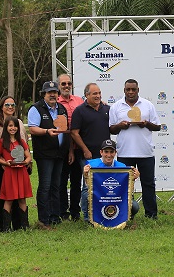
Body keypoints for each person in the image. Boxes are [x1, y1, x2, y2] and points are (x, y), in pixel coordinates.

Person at [109, 79, 161, 219]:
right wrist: (120, 125)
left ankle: (151, 214)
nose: (131, 92)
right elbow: (112, 129)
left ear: (138, 90)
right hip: (125, 152)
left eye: (133, 89)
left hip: (145, 152)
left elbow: (158, 126)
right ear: (124, 90)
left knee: (148, 184)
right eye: (128, 89)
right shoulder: (116, 106)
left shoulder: (147, 105)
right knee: (125, 186)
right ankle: (126, 214)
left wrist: (146, 124)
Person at [28, 80, 69, 229]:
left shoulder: (62, 109)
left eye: (55, 92)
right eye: (49, 92)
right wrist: (46, 131)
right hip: (45, 154)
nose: (52, 95)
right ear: (44, 94)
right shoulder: (36, 108)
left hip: (59, 153)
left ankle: (54, 217)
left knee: (56, 186)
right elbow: (32, 129)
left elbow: (65, 129)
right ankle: (43, 219)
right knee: (45, 186)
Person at [70, 82, 111, 221]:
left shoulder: (107, 108)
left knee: (104, 185)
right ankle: (87, 217)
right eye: (94, 93)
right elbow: (74, 133)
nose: (98, 96)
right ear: (86, 95)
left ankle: (102, 213)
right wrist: (85, 150)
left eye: (99, 93)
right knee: (88, 187)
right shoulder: (79, 111)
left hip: (105, 157)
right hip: (87, 156)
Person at [0, 95, 27, 231]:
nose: (10, 107)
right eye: (7, 105)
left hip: (20, 166)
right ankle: (0, 226)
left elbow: (25, 143)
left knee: (19, 196)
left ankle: (19, 225)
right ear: (1, 107)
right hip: (3, 167)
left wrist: (27, 162)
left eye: (12, 105)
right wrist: (3, 163)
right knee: (3, 196)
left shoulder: (20, 123)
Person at [81, 139, 139, 219]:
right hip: (98, 195)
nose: (109, 155)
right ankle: (88, 218)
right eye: (106, 152)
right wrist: (85, 174)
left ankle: (125, 217)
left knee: (135, 206)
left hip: (115, 196)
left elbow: (127, 188)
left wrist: (134, 178)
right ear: (101, 152)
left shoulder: (122, 167)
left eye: (111, 152)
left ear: (115, 153)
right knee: (85, 194)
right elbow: (87, 186)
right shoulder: (91, 165)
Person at [0, 116, 33, 231]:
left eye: (15, 126)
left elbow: (28, 156)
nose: (13, 128)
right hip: (9, 173)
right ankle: (6, 227)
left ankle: (25, 226)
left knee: (22, 198)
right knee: (9, 199)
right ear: (6, 127)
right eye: (10, 126)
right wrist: (6, 163)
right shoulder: (2, 142)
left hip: (21, 172)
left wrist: (25, 162)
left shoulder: (21, 141)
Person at [57, 73, 85, 221]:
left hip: (79, 147)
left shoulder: (80, 101)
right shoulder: (55, 101)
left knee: (76, 181)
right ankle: (63, 211)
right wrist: (69, 149)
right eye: (63, 84)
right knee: (61, 181)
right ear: (58, 86)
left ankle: (75, 211)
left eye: (69, 83)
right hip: (62, 148)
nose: (66, 86)